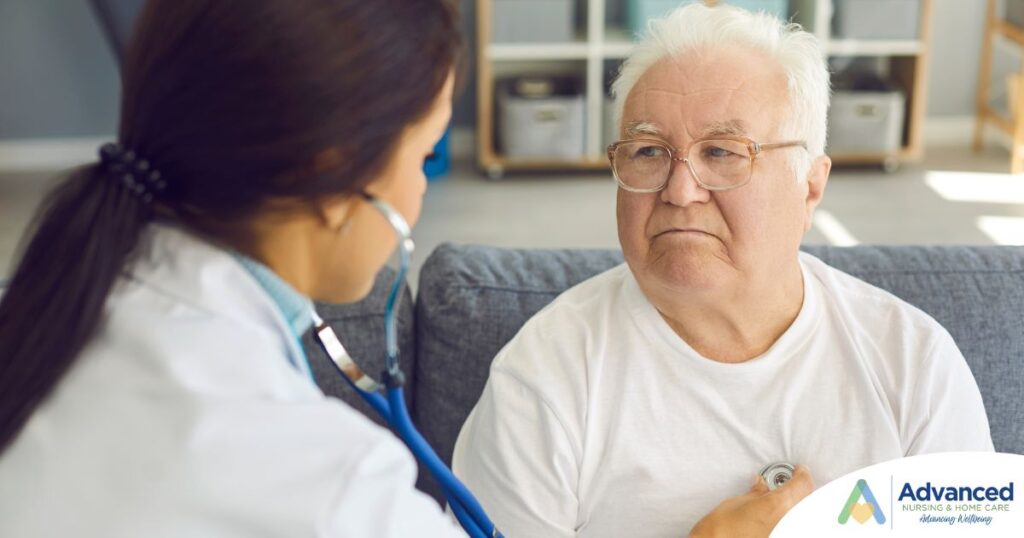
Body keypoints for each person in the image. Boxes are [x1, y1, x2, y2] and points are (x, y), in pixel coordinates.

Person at [0, 1, 815, 537]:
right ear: (332, 177)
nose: (680, 188)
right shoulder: (332, 488)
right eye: (423, 156)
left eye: (721, 154)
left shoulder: (63, 308)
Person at [452, 3, 994, 538]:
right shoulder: (544, 379)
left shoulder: (915, 366)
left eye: (722, 151)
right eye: (647, 151)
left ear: (809, 185)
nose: (680, 190)